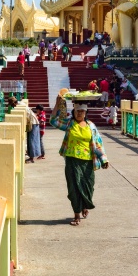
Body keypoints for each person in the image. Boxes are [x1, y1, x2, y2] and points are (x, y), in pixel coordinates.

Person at [50, 96, 109, 226]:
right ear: (73, 112)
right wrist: (57, 104)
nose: (79, 113)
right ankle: (76, 214)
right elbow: (53, 121)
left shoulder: (91, 126)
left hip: (87, 161)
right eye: (77, 111)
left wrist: (103, 159)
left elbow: (98, 143)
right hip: (72, 161)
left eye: (81, 111)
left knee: (88, 187)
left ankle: (84, 206)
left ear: (85, 112)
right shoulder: (69, 123)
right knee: (74, 187)